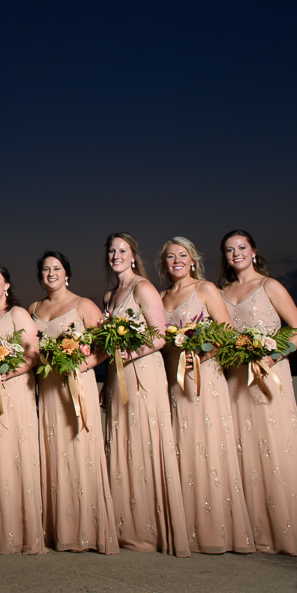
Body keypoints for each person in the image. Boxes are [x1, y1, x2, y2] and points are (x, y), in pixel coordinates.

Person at [219, 229, 297, 555]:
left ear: (253, 252)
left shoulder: (270, 286)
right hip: (235, 381)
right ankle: (253, 532)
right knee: (242, 451)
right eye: (229, 250)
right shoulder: (221, 292)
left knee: (275, 449)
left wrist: (271, 355)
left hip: (268, 378)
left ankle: (287, 533)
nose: (235, 254)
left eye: (241, 247)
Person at [158, 237, 253, 554]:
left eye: (182, 255)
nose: (177, 261)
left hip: (205, 380)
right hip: (174, 384)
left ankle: (217, 531)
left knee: (209, 449)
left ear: (193, 260)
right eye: (170, 257)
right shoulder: (160, 297)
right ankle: (187, 529)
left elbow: (228, 335)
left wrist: (198, 352)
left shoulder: (206, 290)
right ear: (164, 264)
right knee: (181, 450)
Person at [101, 232, 190, 556]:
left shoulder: (142, 287)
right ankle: (125, 527)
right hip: (116, 375)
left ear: (133, 256)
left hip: (141, 373)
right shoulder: (110, 295)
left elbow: (161, 337)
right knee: (120, 444)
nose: (116, 256)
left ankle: (152, 531)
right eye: (111, 251)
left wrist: (127, 355)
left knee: (144, 443)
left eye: (122, 250)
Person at [29, 250, 117, 554]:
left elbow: (109, 343)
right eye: (45, 269)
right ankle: (57, 531)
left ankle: (88, 530)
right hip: (48, 389)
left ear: (67, 273)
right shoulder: (34, 308)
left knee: (80, 452)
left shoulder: (84, 305)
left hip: (77, 387)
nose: (50, 273)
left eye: (56, 268)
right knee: (53, 453)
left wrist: (88, 364)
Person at [0, 264, 45, 554]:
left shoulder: (17, 314)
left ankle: (18, 532)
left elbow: (33, 355)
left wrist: (5, 373)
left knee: (12, 456)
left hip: (12, 394)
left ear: (6, 285)